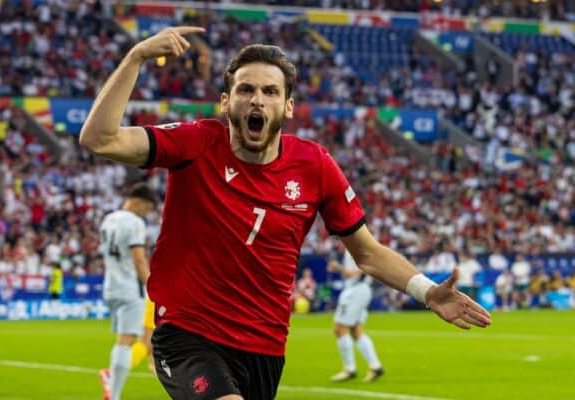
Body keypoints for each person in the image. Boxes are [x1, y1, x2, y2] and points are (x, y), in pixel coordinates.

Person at [80, 26, 491, 400]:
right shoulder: (196, 143)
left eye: (270, 91)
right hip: (188, 334)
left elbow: (365, 251)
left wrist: (425, 290)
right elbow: (100, 138)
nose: (257, 99)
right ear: (226, 102)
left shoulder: (314, 165)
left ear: (288, 106)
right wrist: (135, 57)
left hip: (264, 347)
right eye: (245, 90)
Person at [97, 183, 156, 400]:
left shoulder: (108, 219)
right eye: (147, 208)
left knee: (124, 340)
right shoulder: (134, 222)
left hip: (111, 287)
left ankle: (113, 391)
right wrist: (151, 286)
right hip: (130, 289)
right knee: (125, 343)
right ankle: (114, 394)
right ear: (139, 202)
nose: (146, 214)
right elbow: (139, 258)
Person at [327, 250, 384, 383]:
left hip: (356, 289)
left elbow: (359, 269)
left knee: (339, 328)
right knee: (356, 331)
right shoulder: (352, 243)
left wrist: (338, 268)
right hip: (361, 289)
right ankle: (375, 366)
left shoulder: (353, 242)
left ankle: (349, 369)